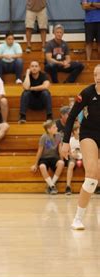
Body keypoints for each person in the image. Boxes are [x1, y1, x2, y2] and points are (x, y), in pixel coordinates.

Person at [61, 65, 100, 230]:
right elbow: (70, 117)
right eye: (96, 74)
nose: (98, 77)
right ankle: (77, 218)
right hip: (89, 134)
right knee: (91, 176)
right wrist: (65, 142)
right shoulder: (87, 93)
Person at [31, 120, 64, 195]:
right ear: (49, 130)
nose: (57, 128)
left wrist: (62, 160)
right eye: (54, 127)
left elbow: (60, 149)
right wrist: (35, 164)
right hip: (44, 158)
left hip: (54, 158)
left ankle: (51, 185)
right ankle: (52, 186)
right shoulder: (44, 137)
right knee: (42, 166)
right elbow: (39, 151)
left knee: (61, 163)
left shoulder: (58, 136)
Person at [65, 123, 83, 195]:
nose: (80, 131)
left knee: (86, 164)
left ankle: (88, 184)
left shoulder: (83, 139)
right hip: (73, 157)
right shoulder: (70, 140)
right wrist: (72, 155)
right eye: (79, 129)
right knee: (71, 164)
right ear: (74, 131)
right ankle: (68, 186)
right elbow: (68, 152)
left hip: (82, 157)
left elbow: (85, 150)